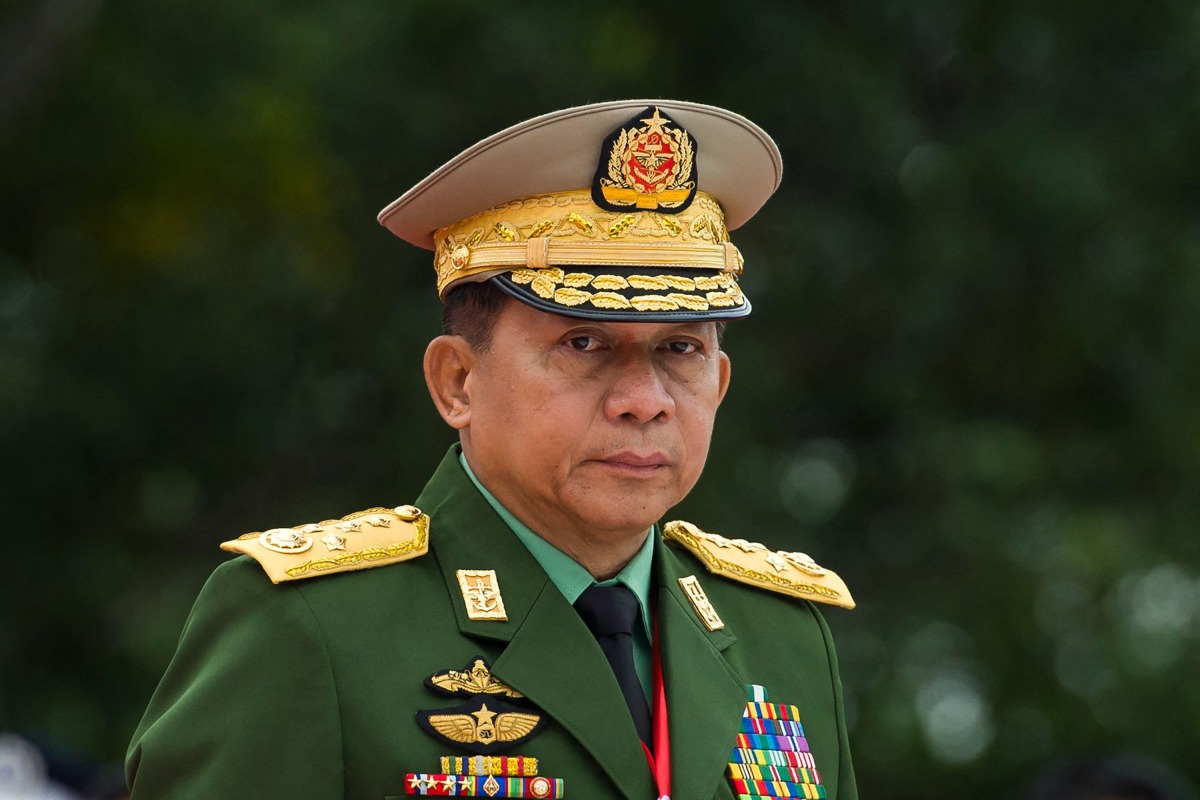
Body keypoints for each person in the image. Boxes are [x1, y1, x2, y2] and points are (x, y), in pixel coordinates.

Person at [125, 99, 859, 799]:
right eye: (583, 342)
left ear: (720, 382)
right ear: (457, 382)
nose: (646, 399)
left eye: (679, 348)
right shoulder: (310, 629)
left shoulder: (783, 636)